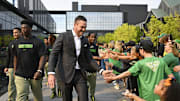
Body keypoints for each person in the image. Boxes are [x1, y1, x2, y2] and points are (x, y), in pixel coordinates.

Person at [48, 15, 112, 101]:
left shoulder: (85, 41)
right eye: (82, 27)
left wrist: (101, 71)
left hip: (80, 74)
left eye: (85, 27)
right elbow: (54, 54)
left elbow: (89, 58)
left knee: (84, 98)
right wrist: (51, 73)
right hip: (64, 74)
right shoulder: (63, 36)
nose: (84, 30)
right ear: (75, 25)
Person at [105, 39, 174, 101]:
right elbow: (171, 77)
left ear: (142, 50)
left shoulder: (140, 64)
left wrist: (114, 78)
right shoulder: (161, 61)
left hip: (145, 96)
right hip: (161, 95)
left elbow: (127, 73)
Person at [13, 20, 45, 101]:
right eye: (22, 28)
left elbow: (43, 56)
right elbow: (15, 57)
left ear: (30, 28)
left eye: (25, 28)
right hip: (20, 74)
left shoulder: (38, 42)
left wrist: (39, 70)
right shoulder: (17, 42)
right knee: (21, 96)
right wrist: (14, 71)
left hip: (35, 74)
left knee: (38, 98)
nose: (23, 30)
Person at [4, 27, 21, 101]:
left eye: (16, 32)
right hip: (11, 67)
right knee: (11, 84)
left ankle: (23, 98)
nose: (15, 34)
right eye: (14, 32)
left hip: (21, 67)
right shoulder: (11, 43)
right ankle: (11, 99)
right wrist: (6, 66)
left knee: (21, 84)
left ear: (21, 33)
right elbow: (8, 56)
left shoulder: (24, 42)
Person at [87, 33, 101, 101]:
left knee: (93, 85)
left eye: (94, 37)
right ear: (88, 37)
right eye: (92, 37)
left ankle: (92, 96)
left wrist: (98, 60)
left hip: (93, 69)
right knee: (85, 86)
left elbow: (97, 57)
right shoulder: (84, 45)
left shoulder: (95, 46)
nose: (93, 38)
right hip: (84, 69)